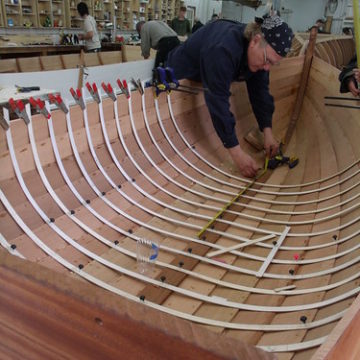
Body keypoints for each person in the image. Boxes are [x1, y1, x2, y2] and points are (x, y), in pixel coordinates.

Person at [167, 15, 294, 178]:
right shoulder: (223, 48)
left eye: (272, 64)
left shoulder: (260, 57)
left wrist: (267, 132)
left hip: (207, 74)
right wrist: (237, 154)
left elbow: (260, 92)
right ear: (255, 40)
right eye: (266, 60)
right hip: (179, 76)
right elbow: (218, 101)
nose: (266, 67)